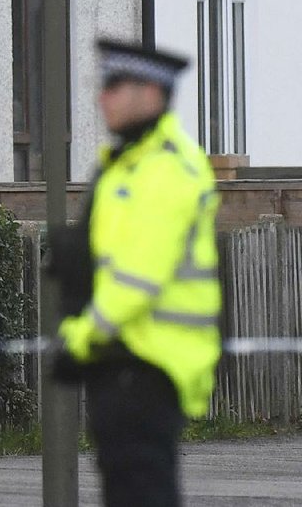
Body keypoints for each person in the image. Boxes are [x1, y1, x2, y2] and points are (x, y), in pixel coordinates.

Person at [48, 39, 221, 507]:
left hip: (146, 361)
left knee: (140, 492)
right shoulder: (130, 164)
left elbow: (138, 280)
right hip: (128, 359)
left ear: (151, 93)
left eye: (114, 85)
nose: (101, 96)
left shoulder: (163, 171)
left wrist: (80, 336)